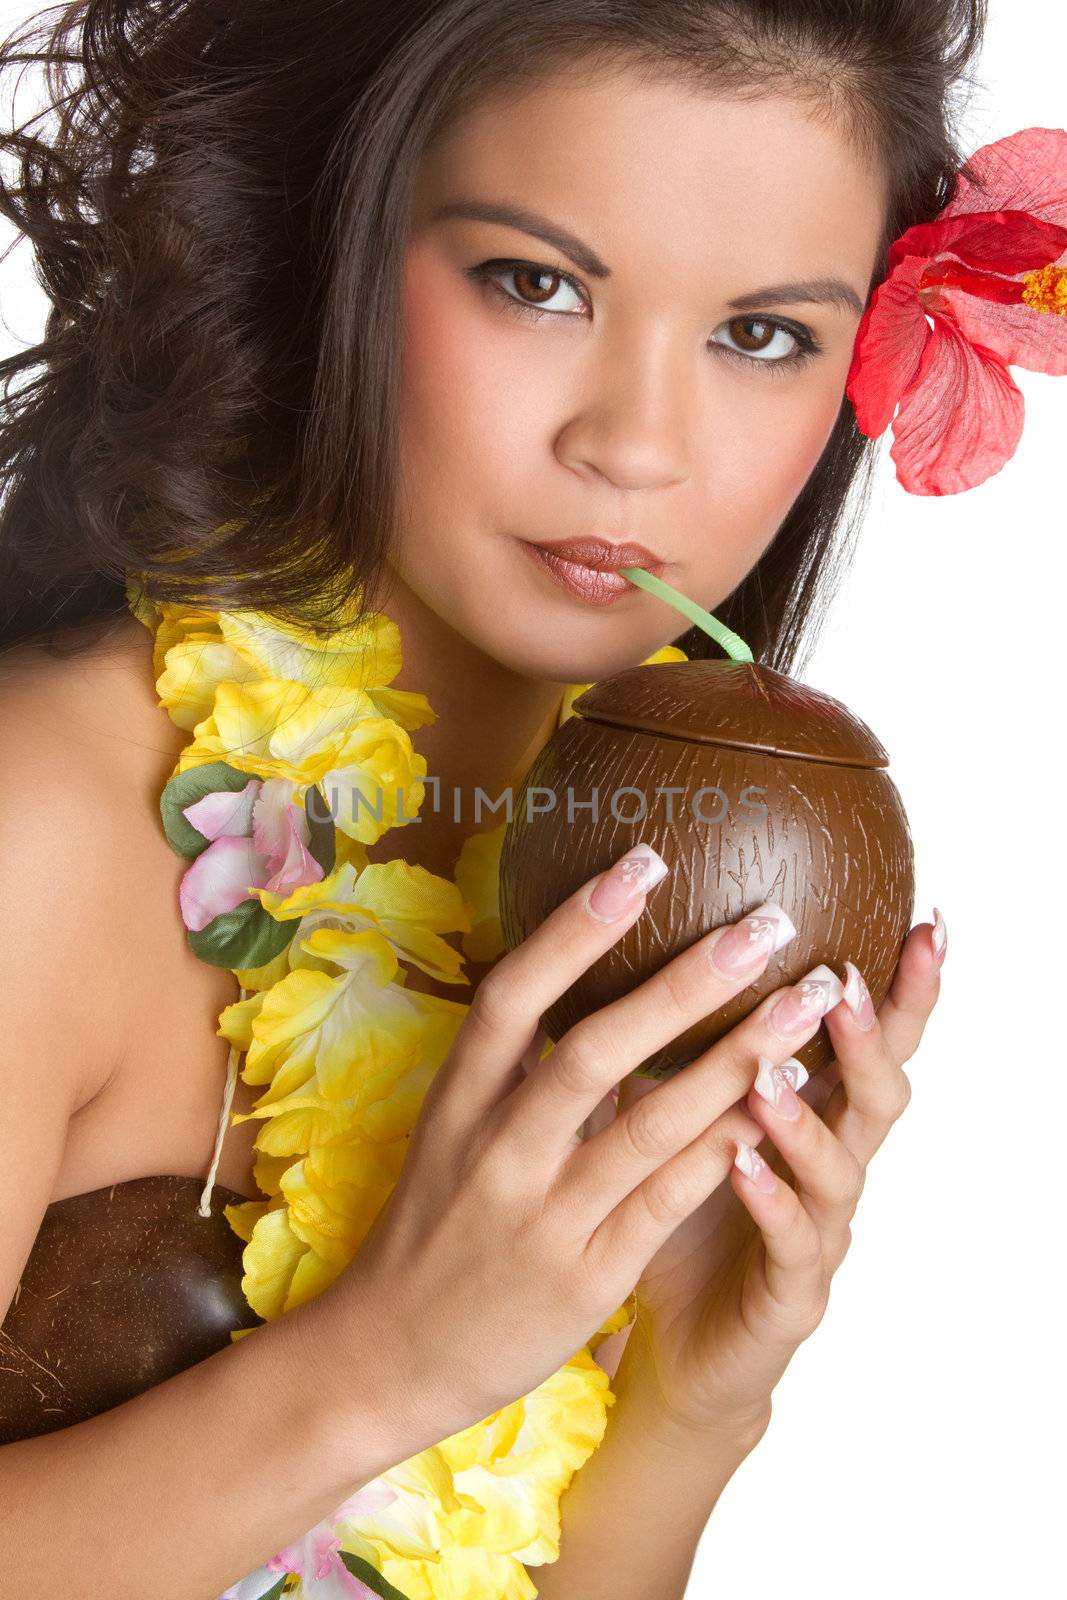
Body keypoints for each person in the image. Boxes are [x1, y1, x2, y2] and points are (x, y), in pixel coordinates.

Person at [5, 0, 1048, 1595]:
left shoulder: (642, 899)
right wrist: (385, 1365)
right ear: (338, 249)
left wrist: (694, 1406)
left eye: (760, 334)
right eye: (534, 283)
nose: (634, 444)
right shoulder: (47, 829)